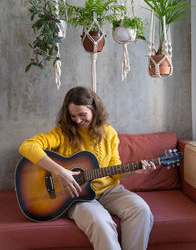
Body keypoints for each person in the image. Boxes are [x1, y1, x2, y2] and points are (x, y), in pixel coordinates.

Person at [19, 86, 156, 250]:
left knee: (141, 210)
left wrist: (136, 170)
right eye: (73, 116)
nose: (77, 120)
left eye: (82, 114)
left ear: (94, 109)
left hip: (109, 190)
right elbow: (27, 146)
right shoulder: (62, 133)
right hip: (76, 195)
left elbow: (115, 169)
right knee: (101, 222)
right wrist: (60, 171)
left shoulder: (109, 133)